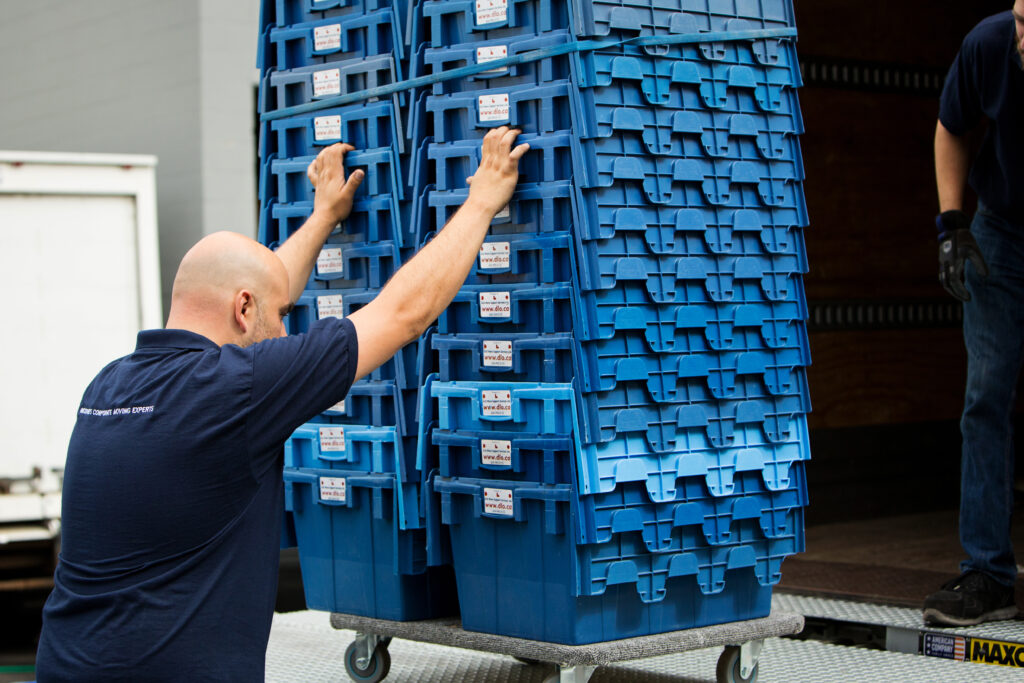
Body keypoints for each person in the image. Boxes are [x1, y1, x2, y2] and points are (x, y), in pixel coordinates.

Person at [34, 127, 529, 681]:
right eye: (284, 316)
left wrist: (323, 218)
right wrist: (483, 200)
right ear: (244, 309)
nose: (286, 329)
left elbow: (258, 289)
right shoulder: (236, 388)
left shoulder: (108, 386)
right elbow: (403, 314)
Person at [924, 2, 1024, 627]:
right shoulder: (989, 45)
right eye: (1022, 21)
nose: (1021, 34)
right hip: (1003, 232)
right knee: (986, 395)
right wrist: (953, 225)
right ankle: (987, 574)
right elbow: (952, 125)